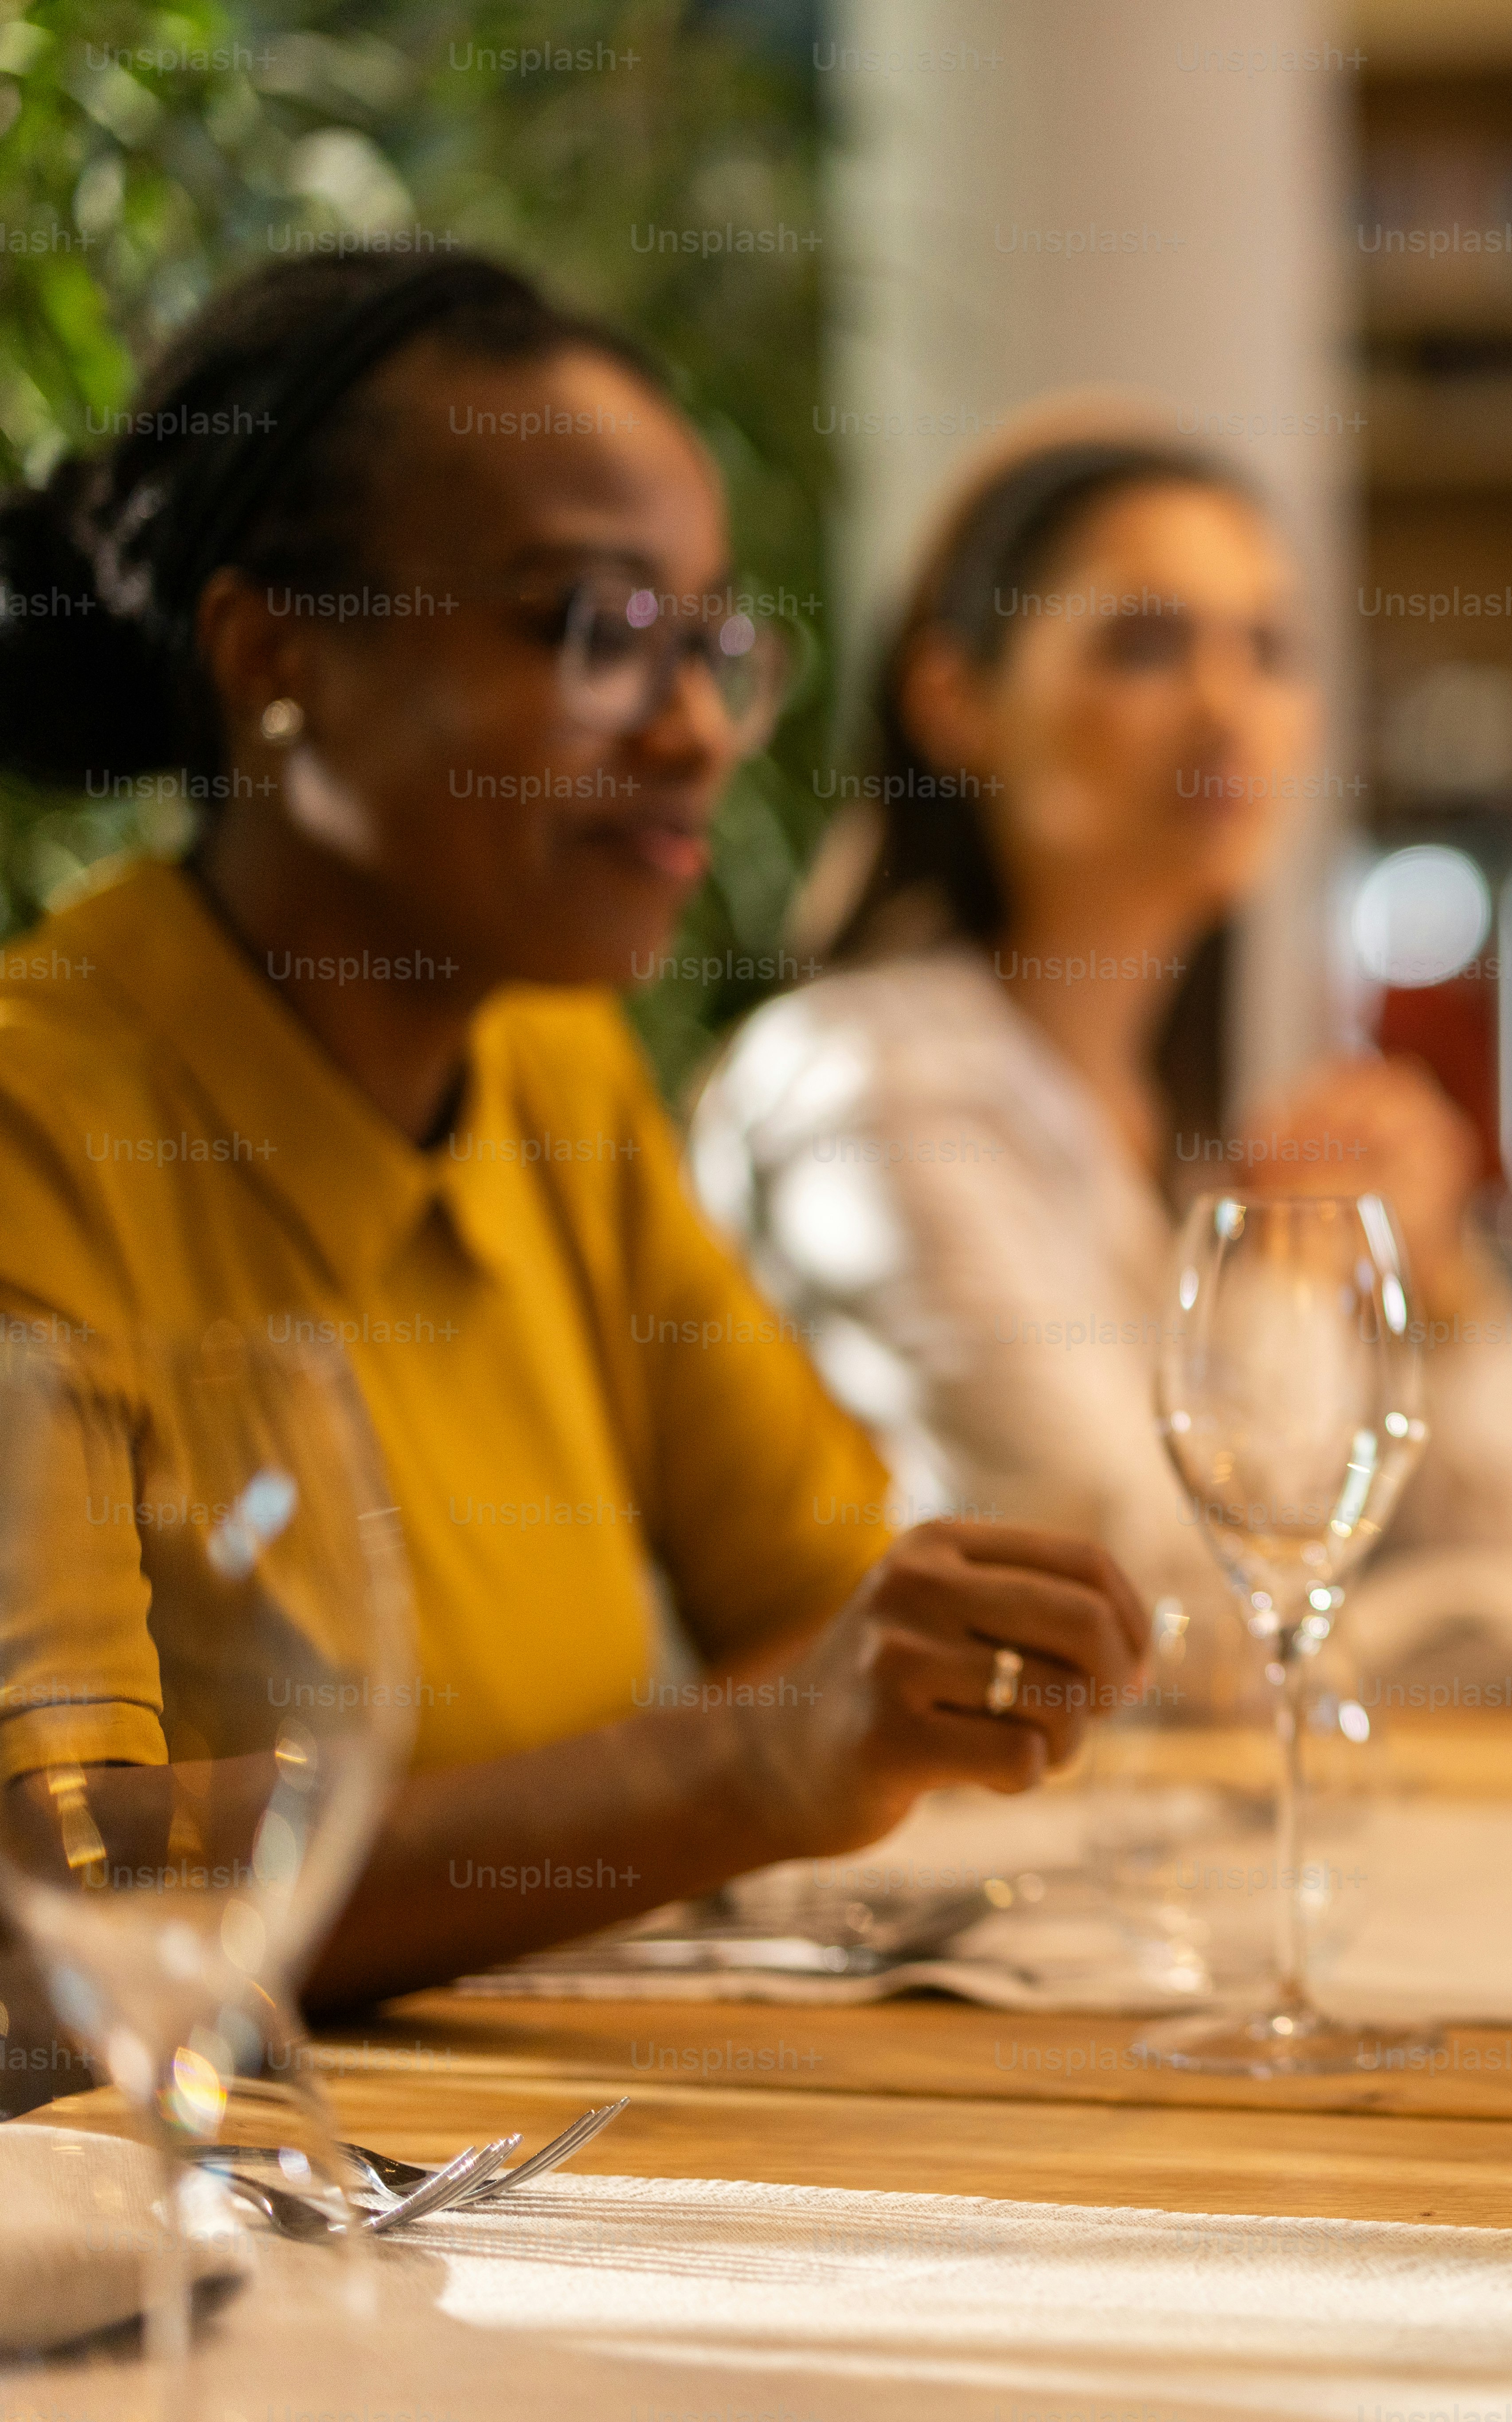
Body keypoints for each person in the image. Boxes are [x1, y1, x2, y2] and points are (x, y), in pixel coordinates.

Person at [0, 250, 1148, 2023]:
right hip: (192, 2224)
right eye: (591, 629)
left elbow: (827, 1614)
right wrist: (735, 1774)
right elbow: (52, 1881)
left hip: (531, 2140)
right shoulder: (40, 1120)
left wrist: (828, 1718)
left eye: (708, 642)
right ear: (275, 659)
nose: (691, 728)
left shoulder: (553, 1070)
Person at [681, 404, 1494, 1676]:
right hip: (931, 1856)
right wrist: (1291, 1282)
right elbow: (1124, 1591)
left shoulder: (1170, 1116)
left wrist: (1432, 1282)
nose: (1230, 708)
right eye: (1145, 643)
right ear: (954, 700)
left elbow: (1490, 1526)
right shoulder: (861, 1085)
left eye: (1271, 649)